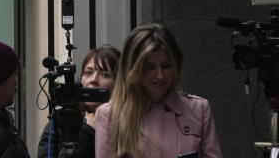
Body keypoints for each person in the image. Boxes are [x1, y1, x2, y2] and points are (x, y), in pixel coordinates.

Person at [95, 23, 222, 158]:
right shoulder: (110, 116)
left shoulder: (198, 109)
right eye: (150, 67)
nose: (160, 75)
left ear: (176, 64)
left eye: (166, 66)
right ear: (132, 68)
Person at [36, 44, 120, 158]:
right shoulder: (61, 120)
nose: (93, 80)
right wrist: (87, 135)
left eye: (104, 75)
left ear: (118, 82)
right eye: (88, 73)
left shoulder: (127, 120)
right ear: (81, 79)